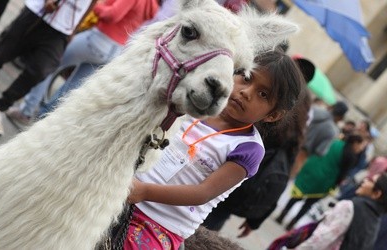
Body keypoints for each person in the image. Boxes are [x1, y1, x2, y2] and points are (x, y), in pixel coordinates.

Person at [120, 48, 304, 249]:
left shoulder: (248, 148)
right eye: (247, 77)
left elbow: (203, 193)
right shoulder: (193, 104)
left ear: (273, 115)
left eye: (263, 94)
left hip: (159, 224)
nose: (246, 92)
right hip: (124, 190)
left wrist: (144, 191)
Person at [6, 0, 159, 124]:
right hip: (114, 49)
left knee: (50, 64)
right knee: (74, 87)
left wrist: (98, 7)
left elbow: (113, 15)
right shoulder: (152, 5)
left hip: (98, 39)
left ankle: (26, 111)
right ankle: (45, 120)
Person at [201, 78, 311, 237]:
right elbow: (288, 161)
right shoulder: (301, 100)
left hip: (230, 175)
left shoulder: (278, 97)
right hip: (241, 188)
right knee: (208, 227)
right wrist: (256, 220)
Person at [0, 0, 95, 136]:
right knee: (0, 56)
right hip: (37, 12)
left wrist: (75, 28)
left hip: (62, 30)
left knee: (39, 71)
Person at [275, 133, 365, 230]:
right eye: (360, 145)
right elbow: (342, 174)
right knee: (309, 203)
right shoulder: (351, 156)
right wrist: (335, 185)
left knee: (297, 196)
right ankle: (291, 224)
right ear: (355, 143)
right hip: (324, 180)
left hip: (312, 169)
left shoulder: (336, 142)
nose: (360, 149)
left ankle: (282, 215)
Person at [294, 173, 387, 249]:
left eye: (370, 181)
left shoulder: (350, 207)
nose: (365, 181)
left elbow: (323, 238)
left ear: (377, 194)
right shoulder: (375, 220)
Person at [290, 100, 349, 178]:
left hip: (290, 141)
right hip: (302, 156)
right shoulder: (333, 131)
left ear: (332, 106)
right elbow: (320, 152)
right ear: (341, 117)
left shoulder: (315, 110)